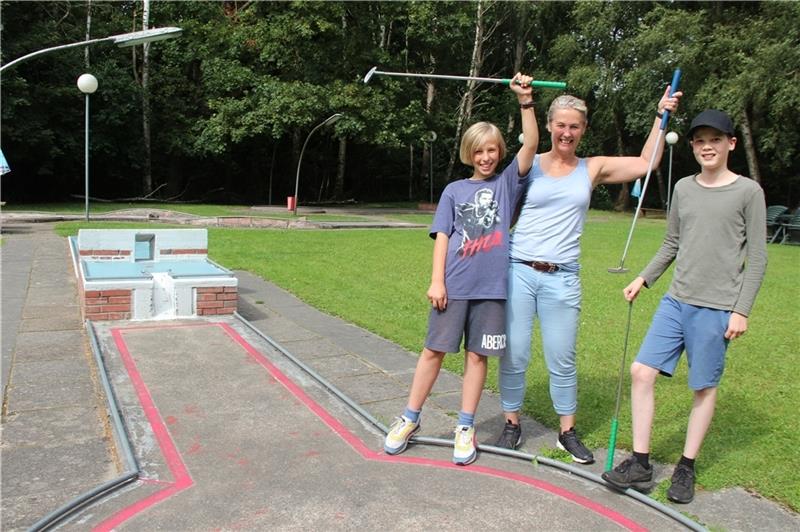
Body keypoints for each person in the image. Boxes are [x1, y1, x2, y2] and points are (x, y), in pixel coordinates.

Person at [494, 87, 683, 465]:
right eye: (561, 125)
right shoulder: (529, 160)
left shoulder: (591, 167)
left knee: (561, 358)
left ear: (583, 129)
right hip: (519, 270)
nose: (567, 133)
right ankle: (512, 423)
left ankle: (567, 431)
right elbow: (525, 143)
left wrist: (660, 116)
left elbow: (647, 162)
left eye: (575, 127)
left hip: (562, 277)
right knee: (513, 353)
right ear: (549, 126)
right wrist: (525, 101)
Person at [602, 109, 767, 503]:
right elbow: (672, 243)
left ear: (731, 143)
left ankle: (686, 467)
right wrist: (643, 278)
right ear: (692, 146)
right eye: (699, 140)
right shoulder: (684, 188)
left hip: (717, 307)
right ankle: (640, 465)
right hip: (676, 300)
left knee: (703, 387)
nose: (706, 146)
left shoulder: (748, 192)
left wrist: (741, 310)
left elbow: (758, 257)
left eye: (715, 139)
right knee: (642, 371)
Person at [383, 72, 539, 465]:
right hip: (453, 287)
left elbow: (533, 143)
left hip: (491, 291)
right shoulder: (454, 191)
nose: (485, 157)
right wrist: (437, 281)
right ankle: (410, 417)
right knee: (433, 351)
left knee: (476, 357)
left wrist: (525, 101)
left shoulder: (506, 185)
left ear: (499, 151)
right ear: (469, 154)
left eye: (491, 150)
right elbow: (443, 237)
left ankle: (465, 426)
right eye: (478, 151)